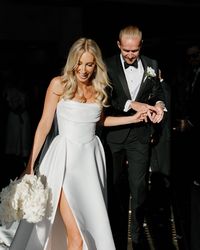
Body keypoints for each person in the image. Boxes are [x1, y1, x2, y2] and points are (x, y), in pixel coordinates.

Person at [6, 37, 152, 250]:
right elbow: (44, 125)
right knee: (76, 236)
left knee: (87, 227)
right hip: (63, 162)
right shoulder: (58, 84)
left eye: (89, 64)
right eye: (79, 63)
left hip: (91, 163)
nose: (83, 69)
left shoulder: (100, 88)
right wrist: (30, 165)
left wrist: (132, 118)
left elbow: (100, 121)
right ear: (72, 62)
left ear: (96, 65)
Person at [102, 25, 165, 250]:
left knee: (139, 187)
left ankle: (137, 236)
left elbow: (157, 93)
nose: (130, 55)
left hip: (140, 136)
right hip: (115, 135)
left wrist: (159, 106)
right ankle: (115, 230)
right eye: (126, 50)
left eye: (135, 51)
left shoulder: (152, 65)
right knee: (114, 184)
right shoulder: (107, 65)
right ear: (119, 45)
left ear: (141, 47)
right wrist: (131, 104)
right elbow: (106, 99)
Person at [171, 44, 200, 250]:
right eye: (190, 57)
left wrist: (190, 122)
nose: (193, 60)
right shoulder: (188, 76)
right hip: (190, 137)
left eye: (196, 56)